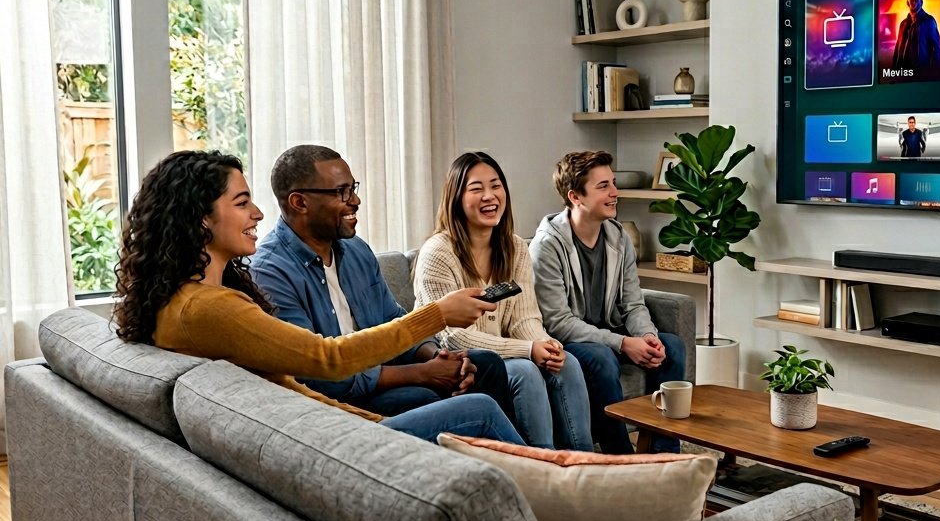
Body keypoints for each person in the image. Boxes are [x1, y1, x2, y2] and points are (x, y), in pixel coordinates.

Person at [113, 150, 523, 445]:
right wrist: (436, 315)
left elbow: (291, 386)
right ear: (201, 219)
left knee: (475, 384)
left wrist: (413, 374)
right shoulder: (208, 307)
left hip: (322, 430)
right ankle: (551, 493)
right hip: (324, 443)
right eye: (242, 203)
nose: (257, 213)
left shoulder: (198, 298)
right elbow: (328, 362)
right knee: (478, 411)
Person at [250, 144, 520, 428]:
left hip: (379, 372)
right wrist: (422, 373)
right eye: (342, 192)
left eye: (353, 188)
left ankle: (502, 462)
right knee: (418, 396)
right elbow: (316, 374)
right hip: (335, 399)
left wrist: (438, 358)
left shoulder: (355, 250)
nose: (356, 200)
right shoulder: (270, 271)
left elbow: (394, 320)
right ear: (299, 203)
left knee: (483, 364)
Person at [415, 152, 593, 451]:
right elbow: (451, 336)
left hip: (507, 350)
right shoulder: (438, 253)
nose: (489, 195)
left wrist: (544, 345)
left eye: (496, 185)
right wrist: (527, 349)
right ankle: (542, 469)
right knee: (525, 373)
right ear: (456, 197)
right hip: (463, 362)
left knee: (567, 364)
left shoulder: (514, 247)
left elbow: (524, 318)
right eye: (476, 189)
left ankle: (584, 464)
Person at [530, 151, 685, 454]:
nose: (615, 193)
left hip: (610, 333)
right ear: (575, 196)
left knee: (672, 348)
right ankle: (620, 458)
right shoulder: (547, 246)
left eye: (613, 183)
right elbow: (558, 323)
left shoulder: (618, 236)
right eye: (603, 186)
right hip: (570, 341)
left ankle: (665, 454)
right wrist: (624, 344)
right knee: (601, 358)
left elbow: (633, 302)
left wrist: (647, 336)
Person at [891, 0, 940, 72]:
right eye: (912, 0)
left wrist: (933, 72)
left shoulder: (929, 21)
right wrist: (893, 71)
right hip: (903, 73)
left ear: (921, 2)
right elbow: (897, 48)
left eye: (916, 0)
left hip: (920, 73)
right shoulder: (903, 24)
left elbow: (937, 49)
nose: (914, 2)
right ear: (908, 3)